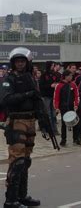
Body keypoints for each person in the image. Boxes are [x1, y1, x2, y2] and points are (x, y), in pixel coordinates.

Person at [0, 48, 44, 208]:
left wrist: (43, 121)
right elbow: (5, 100)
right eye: (17, 61)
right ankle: (10, 200)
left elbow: (37, 100)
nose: (20, 63)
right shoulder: (8, 79)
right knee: (17, 161)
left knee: (25, 160)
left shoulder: (30, 78)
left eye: (22, 61)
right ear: (13, 63)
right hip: (16, 120)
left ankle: (22, 196)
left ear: (27, 63)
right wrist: (26, 95)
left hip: (30, 120)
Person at [53, 70, 80, 146]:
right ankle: (63, 140)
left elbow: (76, 96)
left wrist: (76, 104)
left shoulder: (73, 85)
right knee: (64, 124)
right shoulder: (59, 85)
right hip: (63, 107)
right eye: (70, 76)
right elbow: (56, 97)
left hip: (72, 107)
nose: (71, 77)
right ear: (66, 76)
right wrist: (57, 107)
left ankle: (76, 139)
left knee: (75, 123)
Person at [39, 61, 61, 135]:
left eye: (53, 65)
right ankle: (48, 129)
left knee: (54, 114)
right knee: (48, 114)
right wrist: (50, 86)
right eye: (52, 65)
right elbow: (41, 86)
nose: (53, 67)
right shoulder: (44, 75)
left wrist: (56, 84)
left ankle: (55, 129)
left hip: (53, 96)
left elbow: (58, 82)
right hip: (46, 96)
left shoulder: (54, 74)